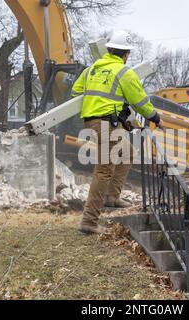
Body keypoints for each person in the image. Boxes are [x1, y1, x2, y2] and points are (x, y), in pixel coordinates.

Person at [71, 30, 164, 235]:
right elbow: (140, 102)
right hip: (108, 125)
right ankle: (89, 221)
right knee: (104, 170)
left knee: (128, 152)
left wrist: (103, 101)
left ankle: (111, 197)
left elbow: (76, 91)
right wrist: (155, 118)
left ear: (109, 49)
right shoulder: (124, 73)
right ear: (126, 54)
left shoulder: (91, 70)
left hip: (92, 122)